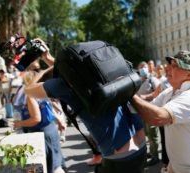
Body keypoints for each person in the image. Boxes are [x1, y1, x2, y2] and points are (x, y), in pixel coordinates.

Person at [24, 39, 146, 173]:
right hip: (140, 146)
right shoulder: (104, 77)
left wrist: (35, 69)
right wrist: (47, 58)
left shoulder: (61, 86)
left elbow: (29, 89)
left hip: (118, 158)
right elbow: (71, 73)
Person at [131, 50, 190, 173]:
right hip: (179, 168)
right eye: (169, 65)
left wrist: (130, 95)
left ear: (189, 74)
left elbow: (157, 117)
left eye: (174, 66)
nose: (168, 68)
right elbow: (147, 110)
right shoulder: (169, 92)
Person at [13, 70, 65, 173]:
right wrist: (58, 122)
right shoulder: (40, 91)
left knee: (53, 167)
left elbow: (36, 119)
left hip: (42, 133)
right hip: (50, 130)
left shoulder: (30, 96)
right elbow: (48, 108)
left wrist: (19, 123)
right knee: (56, 165)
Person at [137, 61, 161, 166]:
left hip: (151, 112)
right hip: (140, 112)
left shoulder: (153, 79)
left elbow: (159, 91)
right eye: (141, 67)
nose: (143, 69)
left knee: (153, 135)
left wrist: (146, 97)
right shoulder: (137, 81)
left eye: (145, 67)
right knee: (145, 134)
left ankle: (155, 156)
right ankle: (151, 153)